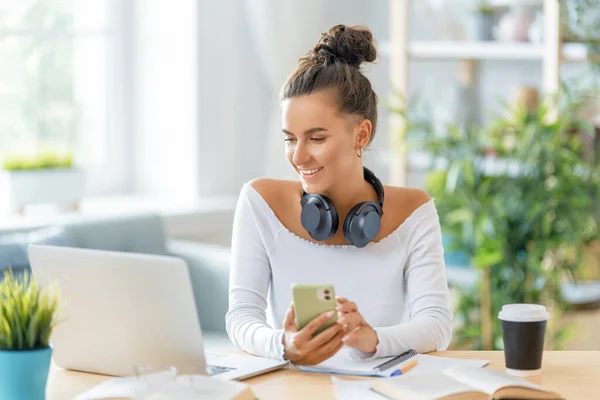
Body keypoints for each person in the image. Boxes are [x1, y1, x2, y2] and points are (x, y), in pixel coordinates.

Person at [226, 24, 452, 365]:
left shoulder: (414, 210)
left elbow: (436, 325)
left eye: (316, 138)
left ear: (361, 135)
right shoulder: (260, 201)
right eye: (290, 138)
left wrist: (373, 338)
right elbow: (241, 317)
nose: (298, 157)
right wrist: (283, 345)